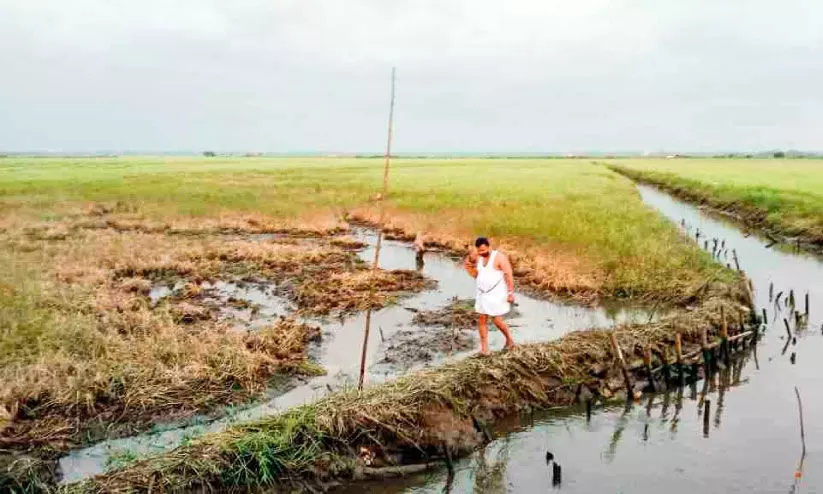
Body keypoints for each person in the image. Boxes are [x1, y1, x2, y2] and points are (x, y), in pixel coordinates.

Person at [464, 237, 516, 355]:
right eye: (479, 251)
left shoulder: (499, 257)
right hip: (482, 293)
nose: (482, 253)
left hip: (496, 292)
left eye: (484, 250)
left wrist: (510, 293)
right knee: (482, 319)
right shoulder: (478, 257)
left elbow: (508, 274)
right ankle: (485, 349)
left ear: (489, 247)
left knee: (497, 320)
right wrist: (469, 268)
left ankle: (509, 339)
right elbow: (478, 274)